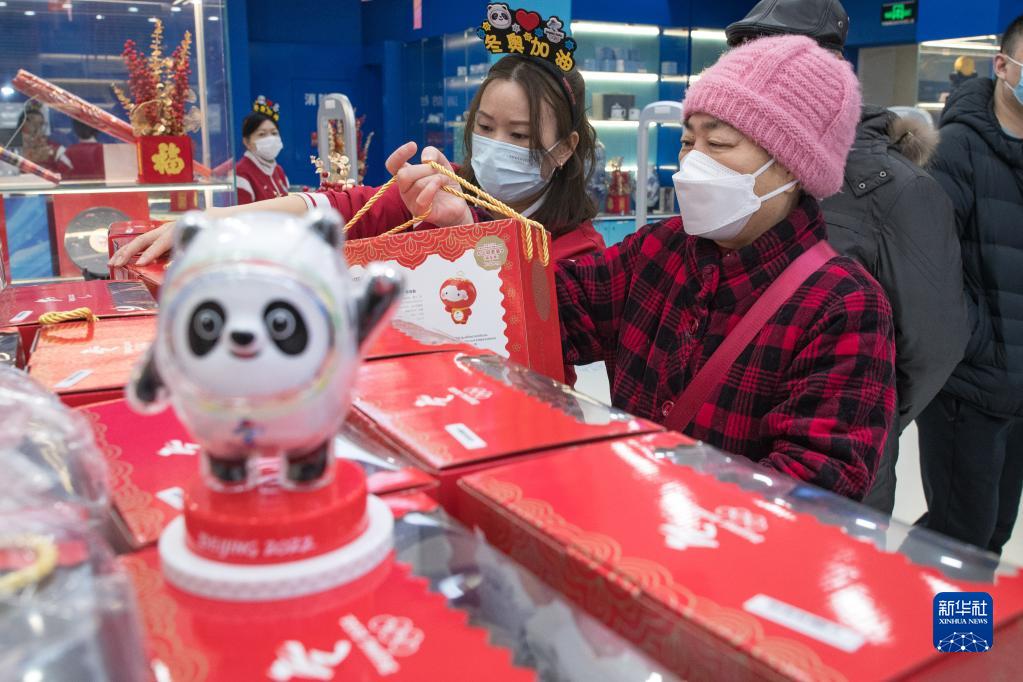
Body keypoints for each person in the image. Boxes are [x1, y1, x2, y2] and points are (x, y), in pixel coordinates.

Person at [557, 35, 895, 501]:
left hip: (728, 555)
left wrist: (677, 504)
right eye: (687, 141)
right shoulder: (661, 247)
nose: (693, 163)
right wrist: (463, 239)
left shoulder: (844, 305)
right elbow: (559, 307)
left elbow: (818, 481)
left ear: (794, 169)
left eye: (718, 142)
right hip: (629, 524)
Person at [725, 0, 970, 514]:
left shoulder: (899, 190)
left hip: (837, 463)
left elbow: (933, 343)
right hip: (728, 443)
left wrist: (858, 411)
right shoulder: (738, 165)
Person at [109, 55, 604, 267]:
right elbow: (342, 208)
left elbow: (533, 331)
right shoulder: (440, 188)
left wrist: (467, 230)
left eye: (518, 135)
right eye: (485, 126)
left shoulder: (582, 250)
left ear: (563, 149)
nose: (495, 144)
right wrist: (211, 221)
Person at [915, 13, 1023, 555]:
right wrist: (977, 347)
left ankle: (958, 638)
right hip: (970, 388)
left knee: (996, 532)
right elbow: (930, 270)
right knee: (960, 537)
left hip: (1018, 388)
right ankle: (936, 635)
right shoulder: (955, 148)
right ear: (1002, 65)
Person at [235, 97, 289, 204]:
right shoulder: (241, 174)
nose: (270, 138)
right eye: (262, 134)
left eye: (274, 133)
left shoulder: (279, 171)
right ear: (247, 142)